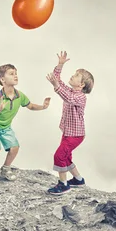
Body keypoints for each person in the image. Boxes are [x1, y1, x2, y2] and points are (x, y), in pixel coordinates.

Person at [0, 63, 50, 183]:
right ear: (2, 79)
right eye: (11, 74)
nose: (16, 76)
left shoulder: (20, 96)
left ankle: (5, 168)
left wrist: (43, 107)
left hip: (5, 126)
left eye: (16, 73)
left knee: (14, 148)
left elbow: (31, 106)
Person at [45, 51, 94, 195]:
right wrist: (60, 65)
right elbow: (57, 81)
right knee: (66, 156)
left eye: (75, 76)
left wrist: (56, 86)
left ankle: (63, 184)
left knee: (59, 156)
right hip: (68, 133)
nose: (72, 76)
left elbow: (67, 98)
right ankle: (78, 179)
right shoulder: (70, 90)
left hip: (75, 135)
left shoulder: (80, 97)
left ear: (82, 84)